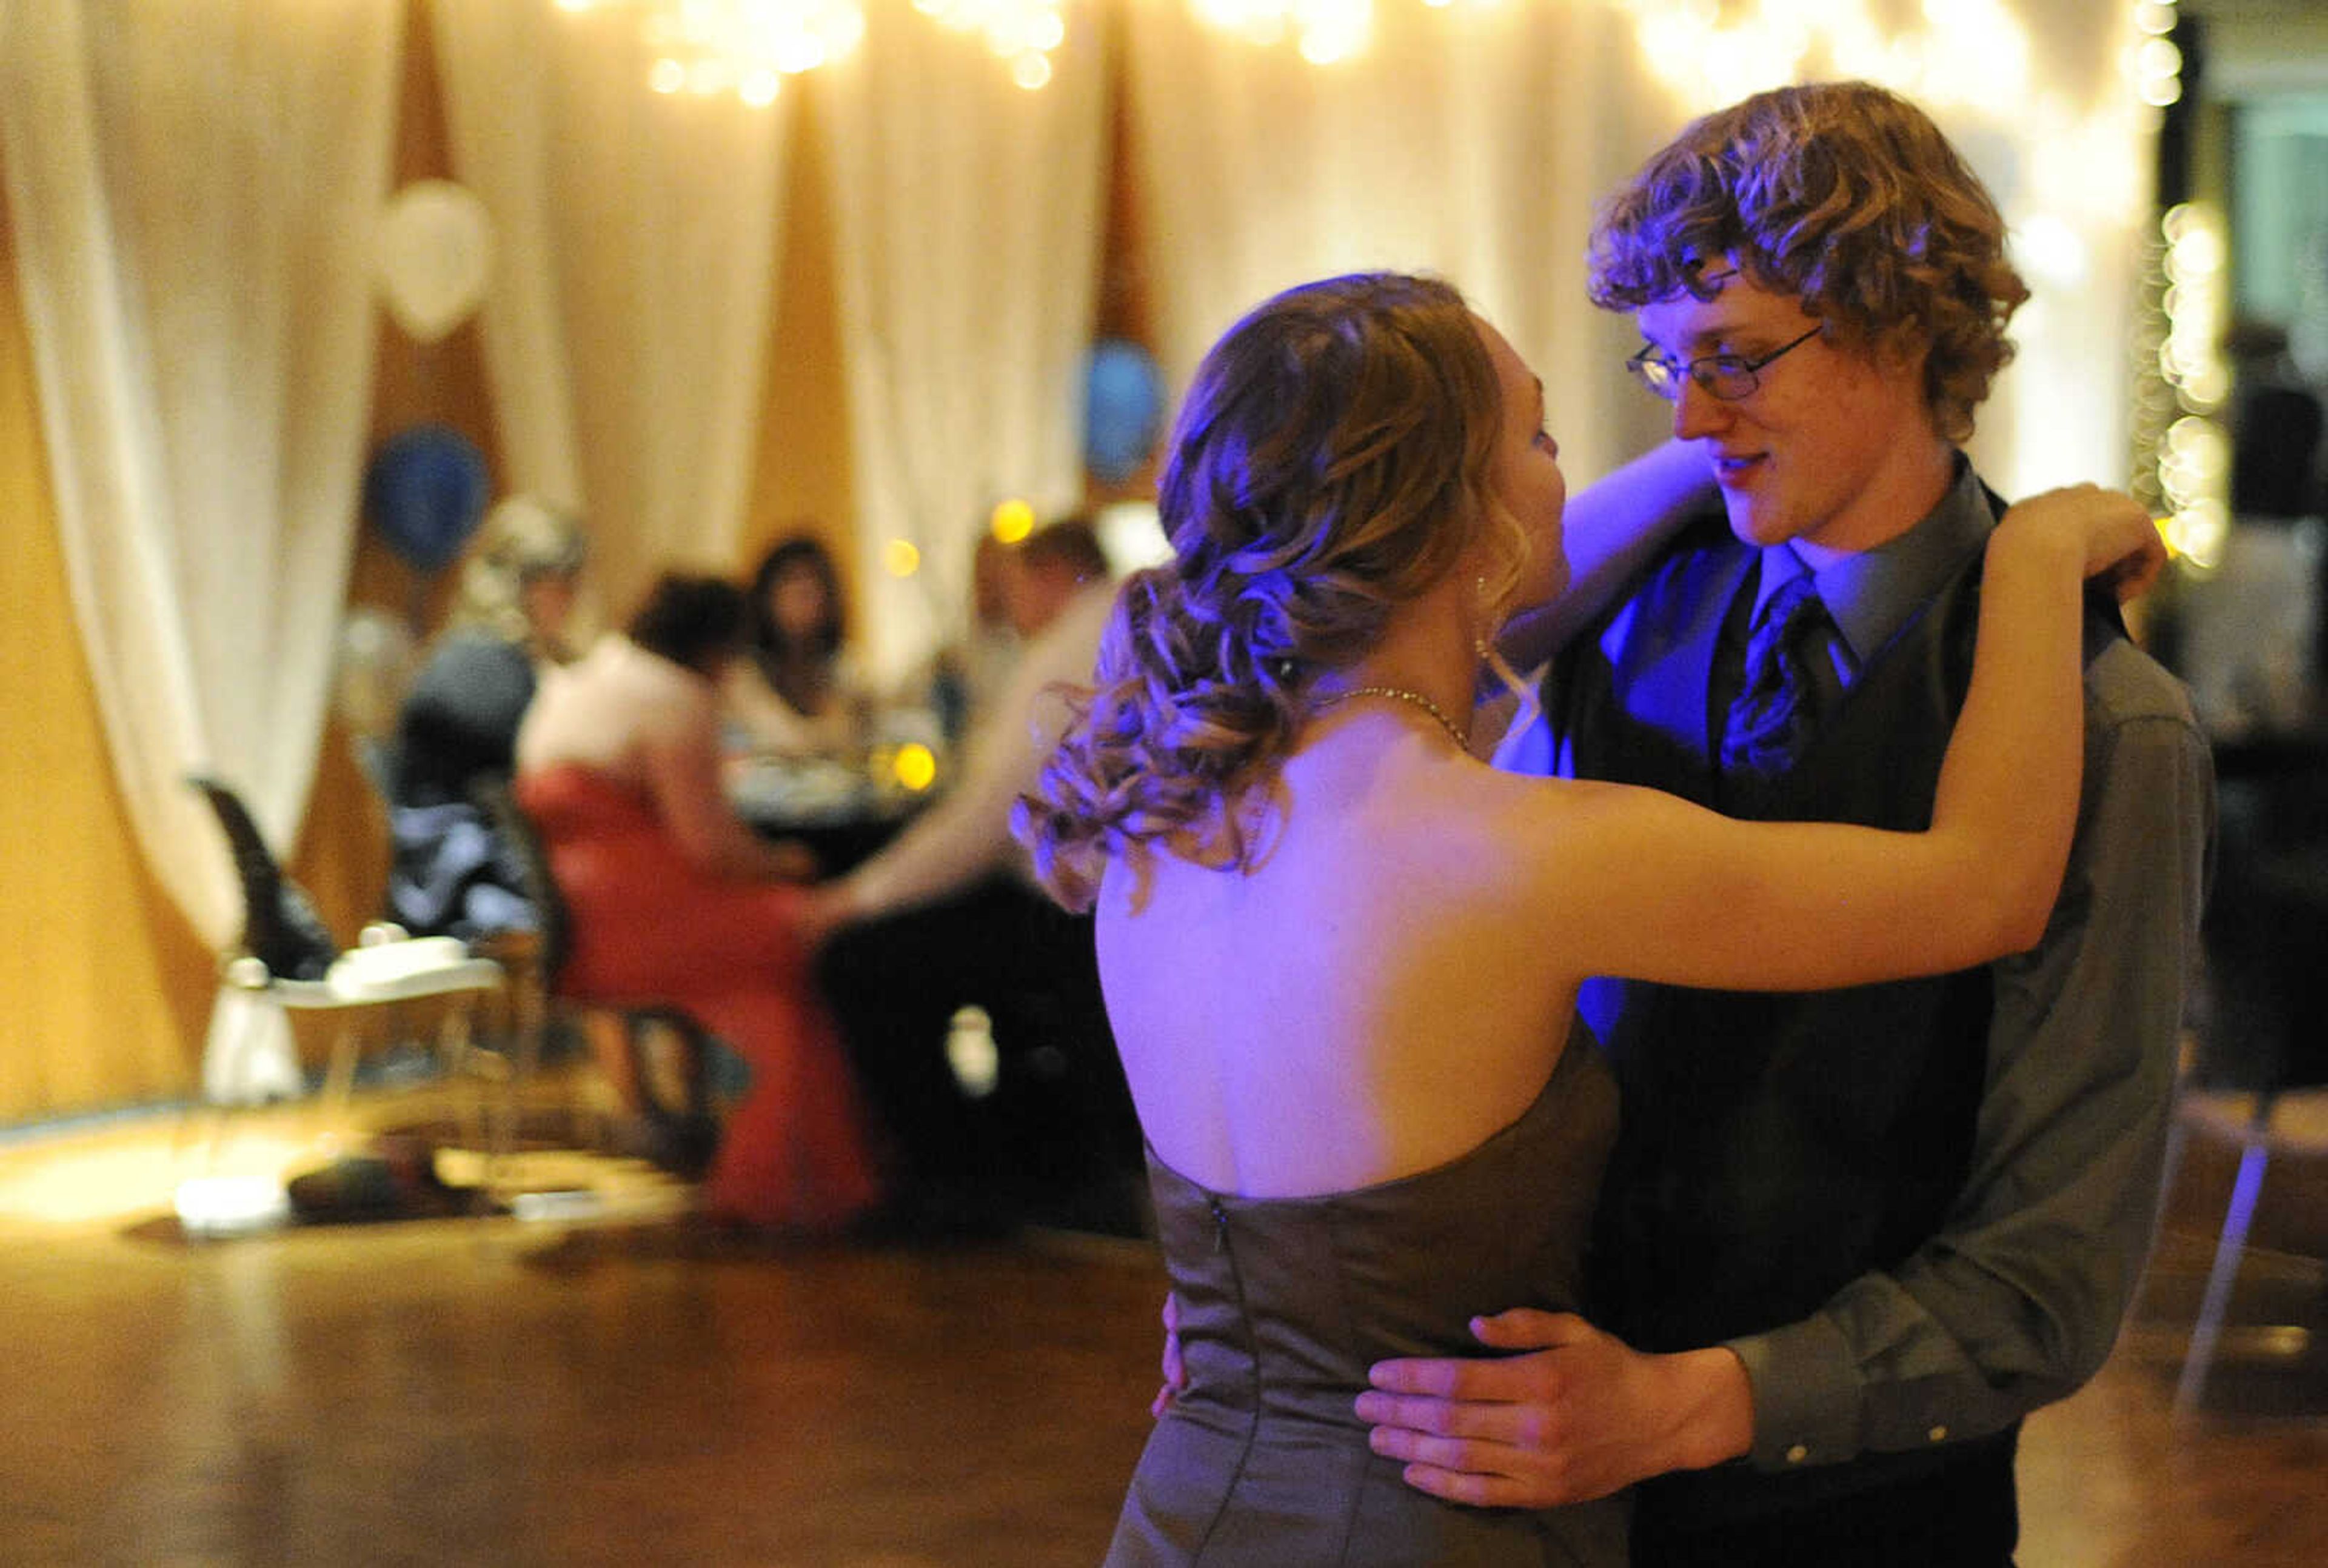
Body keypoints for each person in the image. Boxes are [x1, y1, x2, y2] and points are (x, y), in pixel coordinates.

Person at [1015, 269, 2162, 1566]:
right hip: (1433, 1524)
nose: (1621, 456)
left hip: (1185, 1507)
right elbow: (1986, 887)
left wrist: (1754, 444)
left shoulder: (1168, 820)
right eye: (1544, 440)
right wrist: (2039, 552)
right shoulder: (1513, 853)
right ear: (1460, 512)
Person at [1356, 84, 2216, 1567]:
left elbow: (2045, 1273)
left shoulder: (2112, 727)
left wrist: (1685, 1405)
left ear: (1898, 326)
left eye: (1736, 361)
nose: (1691, 417)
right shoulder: (1626, 614)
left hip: (1857, 1518)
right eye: (1670, 368)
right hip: (1537, 1489)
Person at [515, 573, 880, 1232]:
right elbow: (711, 848)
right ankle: (793, 1178)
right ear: (718, 647)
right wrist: (787, 862)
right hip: (641, 920)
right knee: (808, 934)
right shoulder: (674, 698)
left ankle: (791, 1170)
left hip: (586, 917)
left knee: (791, 939)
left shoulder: (589, 676)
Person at [810, 517, 1140, 1232]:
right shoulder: (1134, 623)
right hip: (1122, 901)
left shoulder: (1072, 647)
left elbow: (989, 820)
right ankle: (1010, 1159)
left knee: (859, 962)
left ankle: (956, 1178)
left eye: (1014, 586)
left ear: (1051, 575)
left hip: (1077, 910)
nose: (1009, 606)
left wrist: (854, 899)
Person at [383, 495, 587, 939]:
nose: (573, 599)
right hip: (462, 886)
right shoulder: (477, 668)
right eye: (565, 583)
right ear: (528, 583)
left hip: (475, 868)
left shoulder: (487, 654)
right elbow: (543, 771)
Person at [725, 532, 873, 761]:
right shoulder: (740, 671)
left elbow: (850, 737)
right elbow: (791, 742)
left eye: (816, 580)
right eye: (790, 579)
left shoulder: (840, 665)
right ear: (766, 594)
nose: (805, 591)